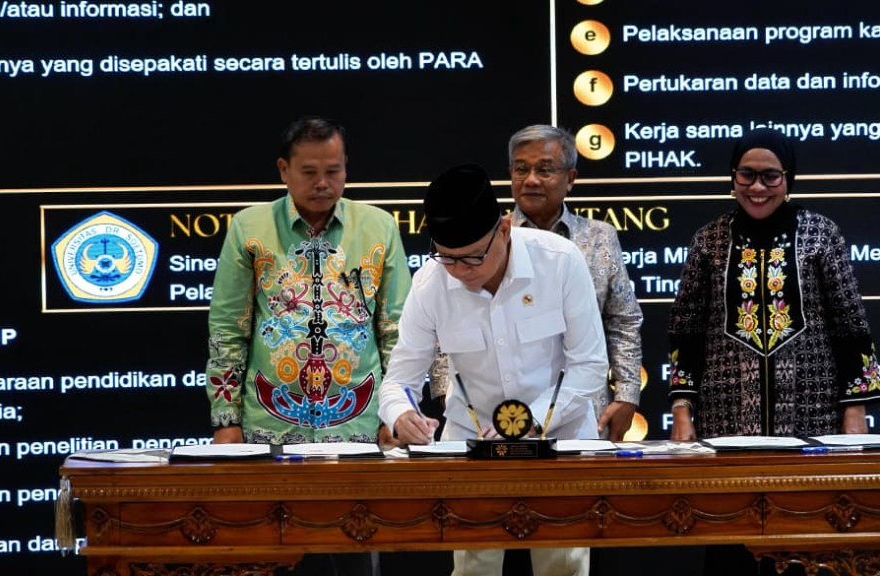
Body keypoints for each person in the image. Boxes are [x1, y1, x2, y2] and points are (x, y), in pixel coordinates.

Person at [666, 128, 880, 575]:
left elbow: (850, 325)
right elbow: (685, 331)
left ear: (789, 179)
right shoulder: (709, 240)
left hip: (811, 417)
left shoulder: (821, 234)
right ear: (732, 177)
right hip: (727, 424)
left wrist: (855, 410)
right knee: (732, 542)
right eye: (747, 175)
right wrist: (683, 411)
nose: (758, 187)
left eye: (771, 176)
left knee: (809, 543)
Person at [378, 163, 607, 576]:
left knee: (563, 565)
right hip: (473, 440)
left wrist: (530, 424)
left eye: (473, 258)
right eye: (449, 259)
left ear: (504, 229)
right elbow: (399, 382)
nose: (462, 272)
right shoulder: (431, 282)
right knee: (473, 565)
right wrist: (401, 415)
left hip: (558, 434)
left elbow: (589, 365)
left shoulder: (558, 261)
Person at [206, 116, 411, 576]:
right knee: (272, 556)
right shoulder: (249, 227)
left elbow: (398, 332)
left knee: (356, 554)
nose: (323, 183)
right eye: (309, 172)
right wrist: (226, 421)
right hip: (268, 426)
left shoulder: (379, 227)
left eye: (334, 171)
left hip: (359, 423)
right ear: (283, 170)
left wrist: (394, 414)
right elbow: (227, 329)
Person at [428, 125, 643, 441]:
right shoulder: (484, 240)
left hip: (579, 410)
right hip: (487, 423)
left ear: (570, 178)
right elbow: (445, 329)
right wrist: (452, 398)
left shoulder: (598, 239)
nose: (530, 180)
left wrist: (626, 393)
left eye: (545, 170)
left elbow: (622, 321)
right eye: (521, 169)